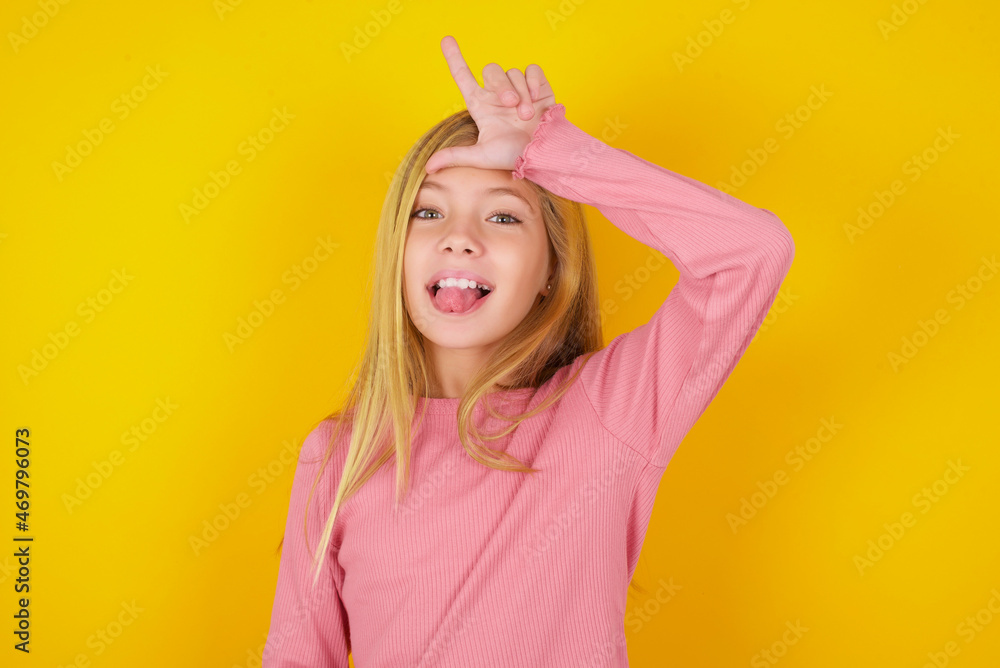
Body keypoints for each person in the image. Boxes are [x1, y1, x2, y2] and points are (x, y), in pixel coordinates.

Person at [263, 35, 795, 667]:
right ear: (396, 256)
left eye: (504, 217)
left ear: (553, 268)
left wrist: (553, 157)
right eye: (428, 215)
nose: (460, 239)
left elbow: (750, 251)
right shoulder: (340, 455)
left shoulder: (607, 412)